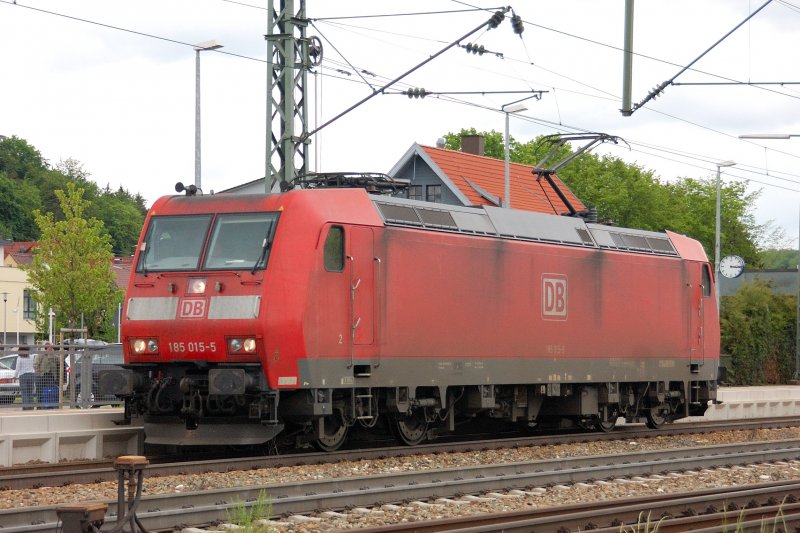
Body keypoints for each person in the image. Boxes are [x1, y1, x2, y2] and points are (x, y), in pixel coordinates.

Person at [34, 342, 61, 408]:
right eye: (50, 347)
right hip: (42, 376)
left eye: (52, 347)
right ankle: (39, 406)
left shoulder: (54, 355)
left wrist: (54, 353)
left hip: (51, 376)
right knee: (40, 392)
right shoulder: (41, 355)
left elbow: (60, 360)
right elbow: (35, 365)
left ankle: (52, 405)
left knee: (50, 391)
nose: (51, 348)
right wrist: (39, 373)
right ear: (46, 348)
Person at [13, 345, 36, 410]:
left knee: (24, 392)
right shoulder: (31, 357)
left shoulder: (19, 358)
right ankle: (31, 406)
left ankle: (26, 407)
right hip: (31, 375)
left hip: (23, 376)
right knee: (30, 392)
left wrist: (15, 376)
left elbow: (17, 368)